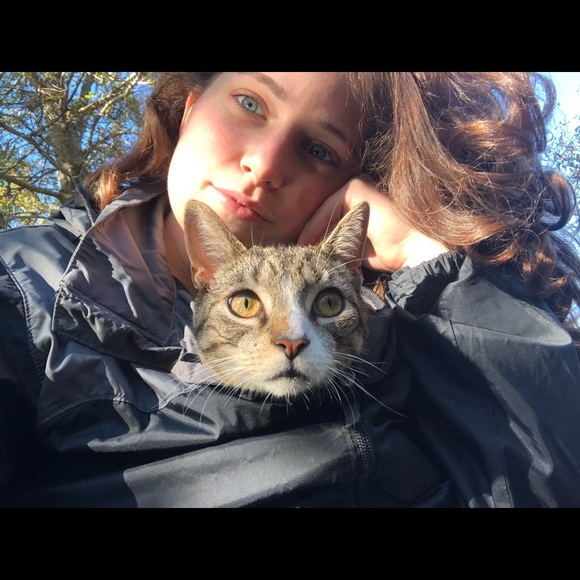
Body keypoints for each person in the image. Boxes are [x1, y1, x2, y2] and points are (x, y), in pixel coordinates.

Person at [1, 72, 579, 508]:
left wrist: (421, 253)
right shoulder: (21, 288)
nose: (264, 164)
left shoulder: (409, 330)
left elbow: (547, 483)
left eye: (319, 149)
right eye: (250, 103)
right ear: (190, 108)